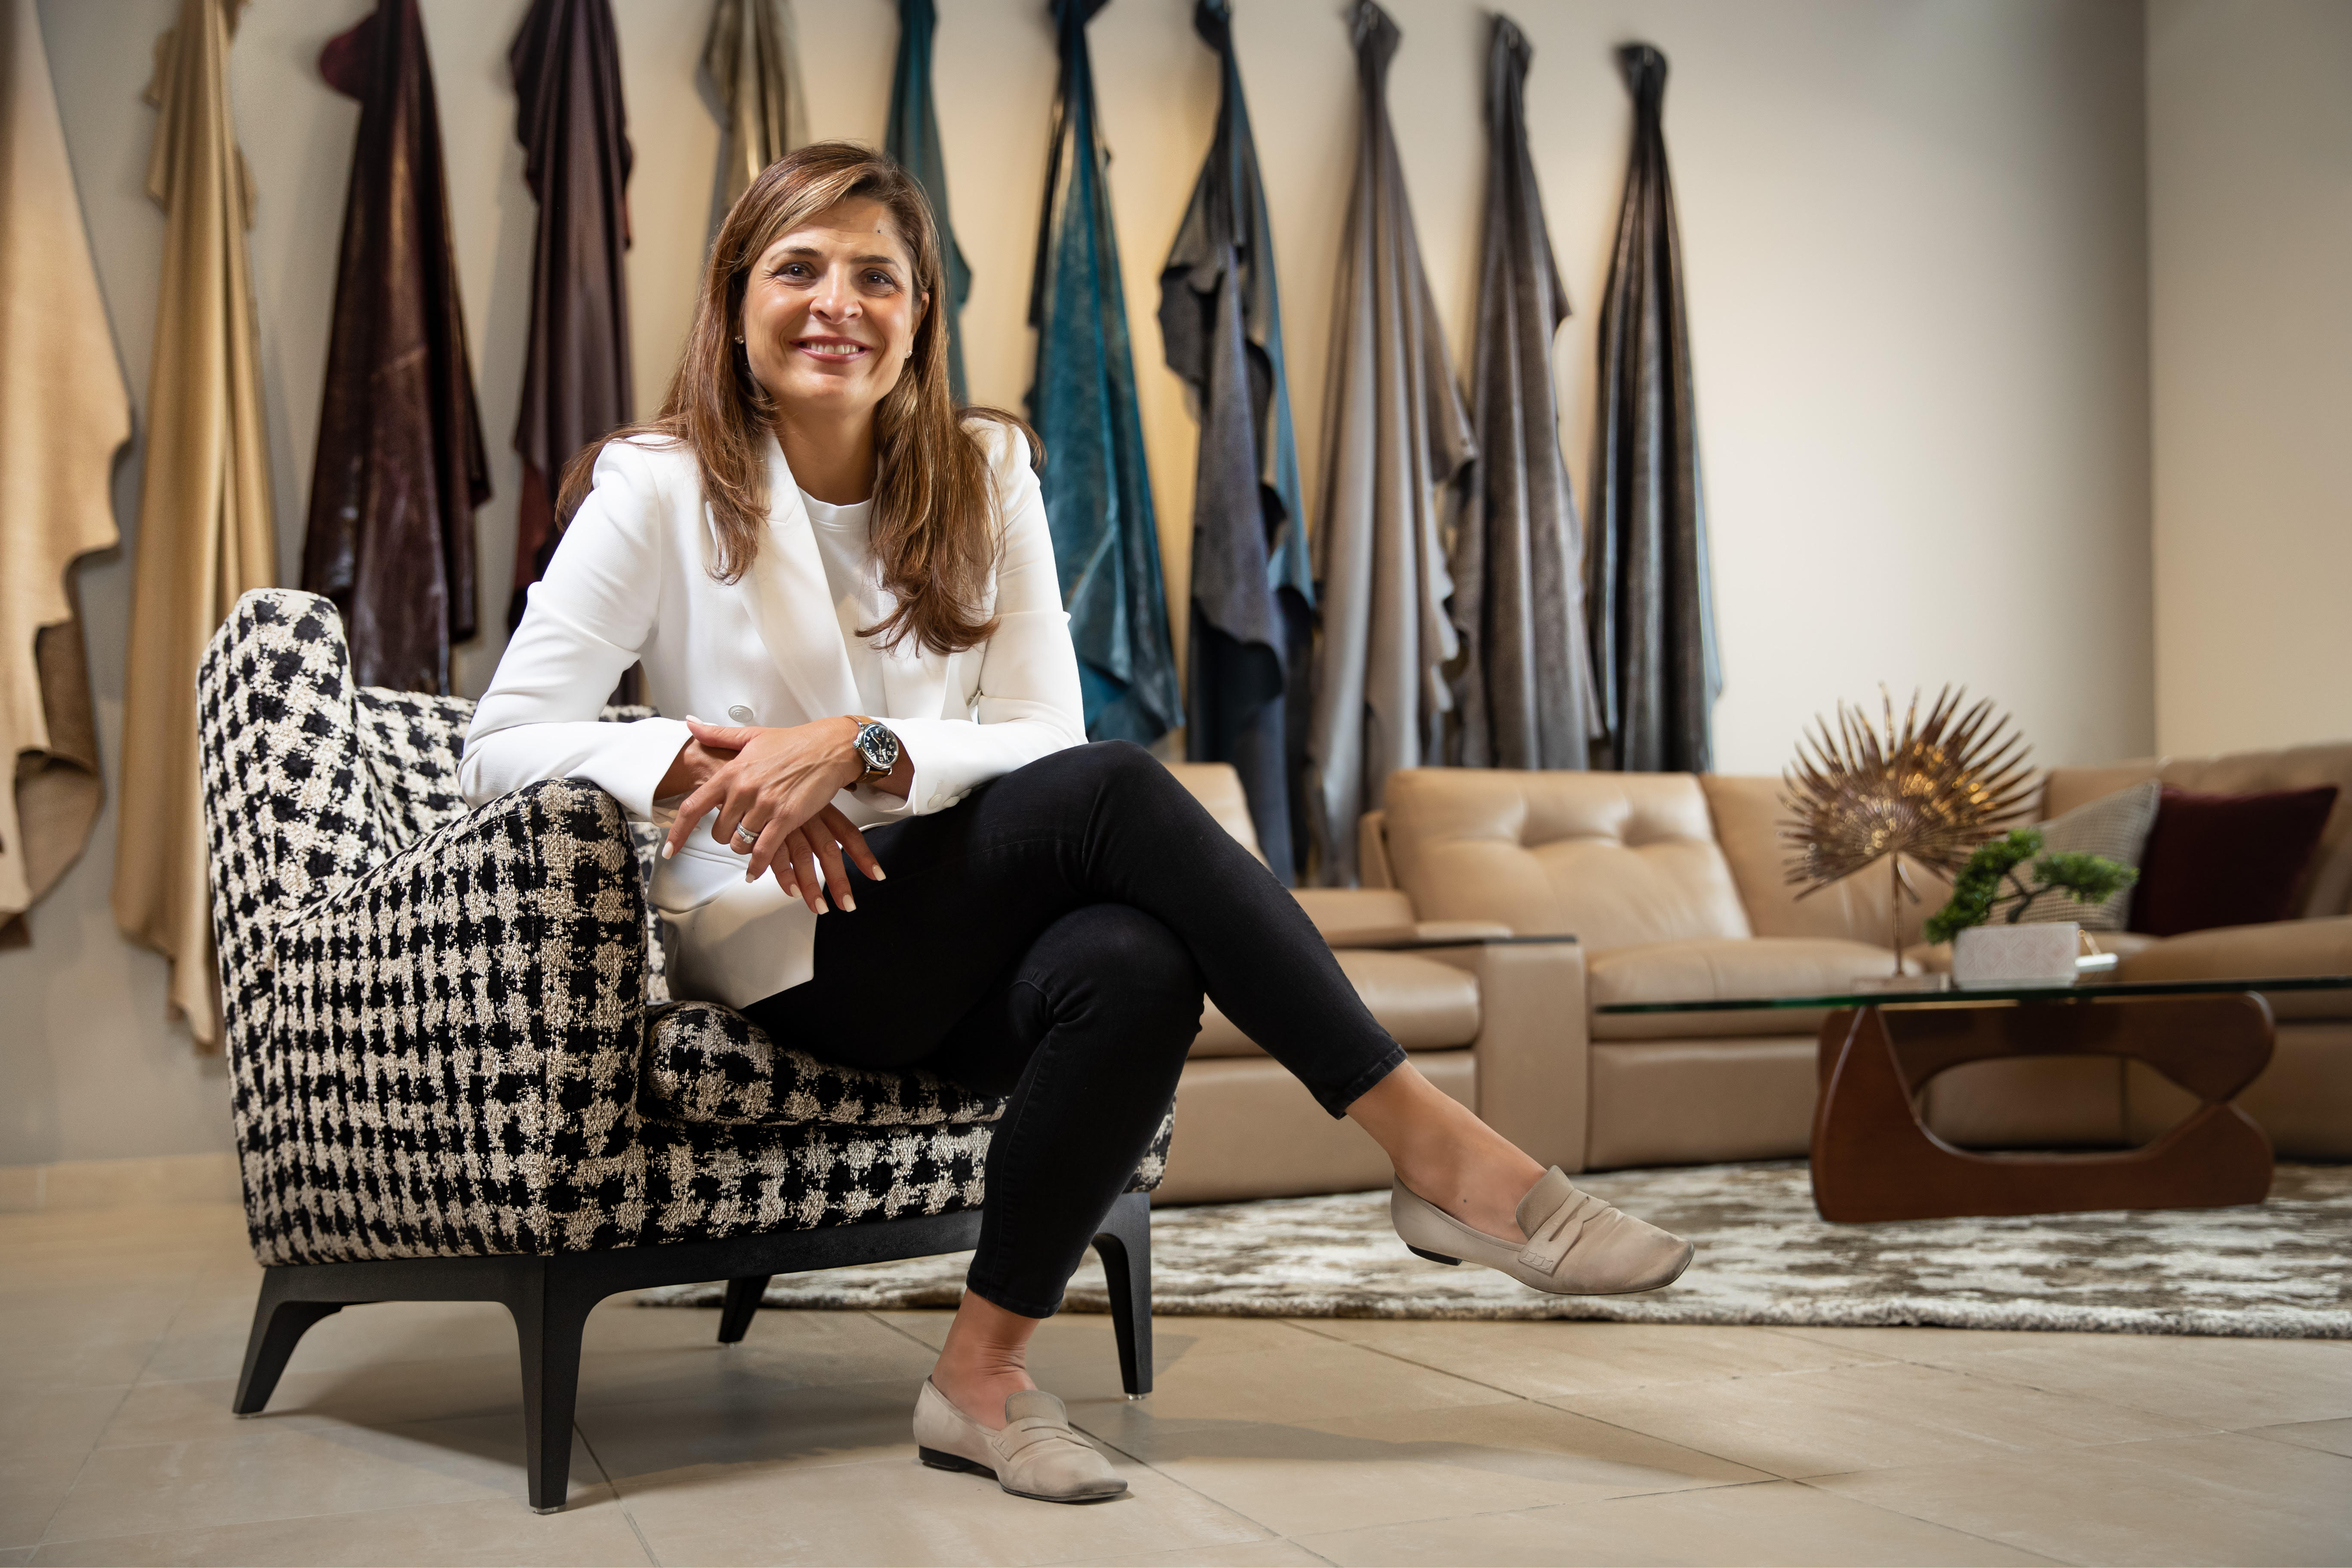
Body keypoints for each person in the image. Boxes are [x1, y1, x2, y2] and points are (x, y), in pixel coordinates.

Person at [461, 142, 1691, 1506]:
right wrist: (714, 761)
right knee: (1117, 785)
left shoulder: (985, 468)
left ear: (921, 314)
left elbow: (1042, 730)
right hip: (794, 949)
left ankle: (979, 1381)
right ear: (736, 301)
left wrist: (861, 746)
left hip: (957, 936)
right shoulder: (657, 484)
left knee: (1133, 964)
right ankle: (1437, 1150)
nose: (837, 304)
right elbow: (497, 746)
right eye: (798, 269)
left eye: (877, 276)